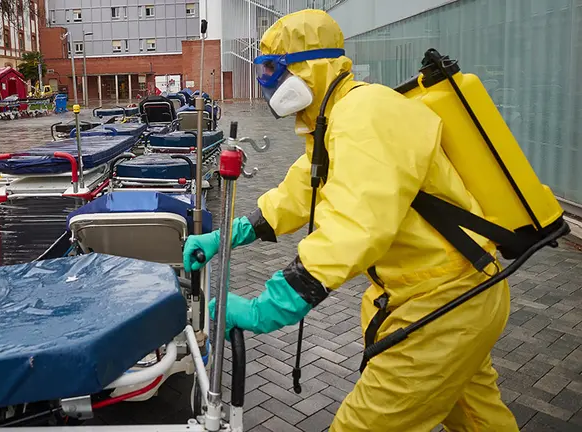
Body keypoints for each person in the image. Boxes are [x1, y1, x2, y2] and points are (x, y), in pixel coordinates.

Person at [182, 9, 519, 432]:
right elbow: (299, 191)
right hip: (453, 293)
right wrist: (227, 235)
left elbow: (355, 226)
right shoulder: (335, 119)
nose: (265, 84)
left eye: (270, 70)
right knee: (477, 419)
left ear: (309, 66)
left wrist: (268, 306)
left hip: (442, 304)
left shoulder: (365, 115)